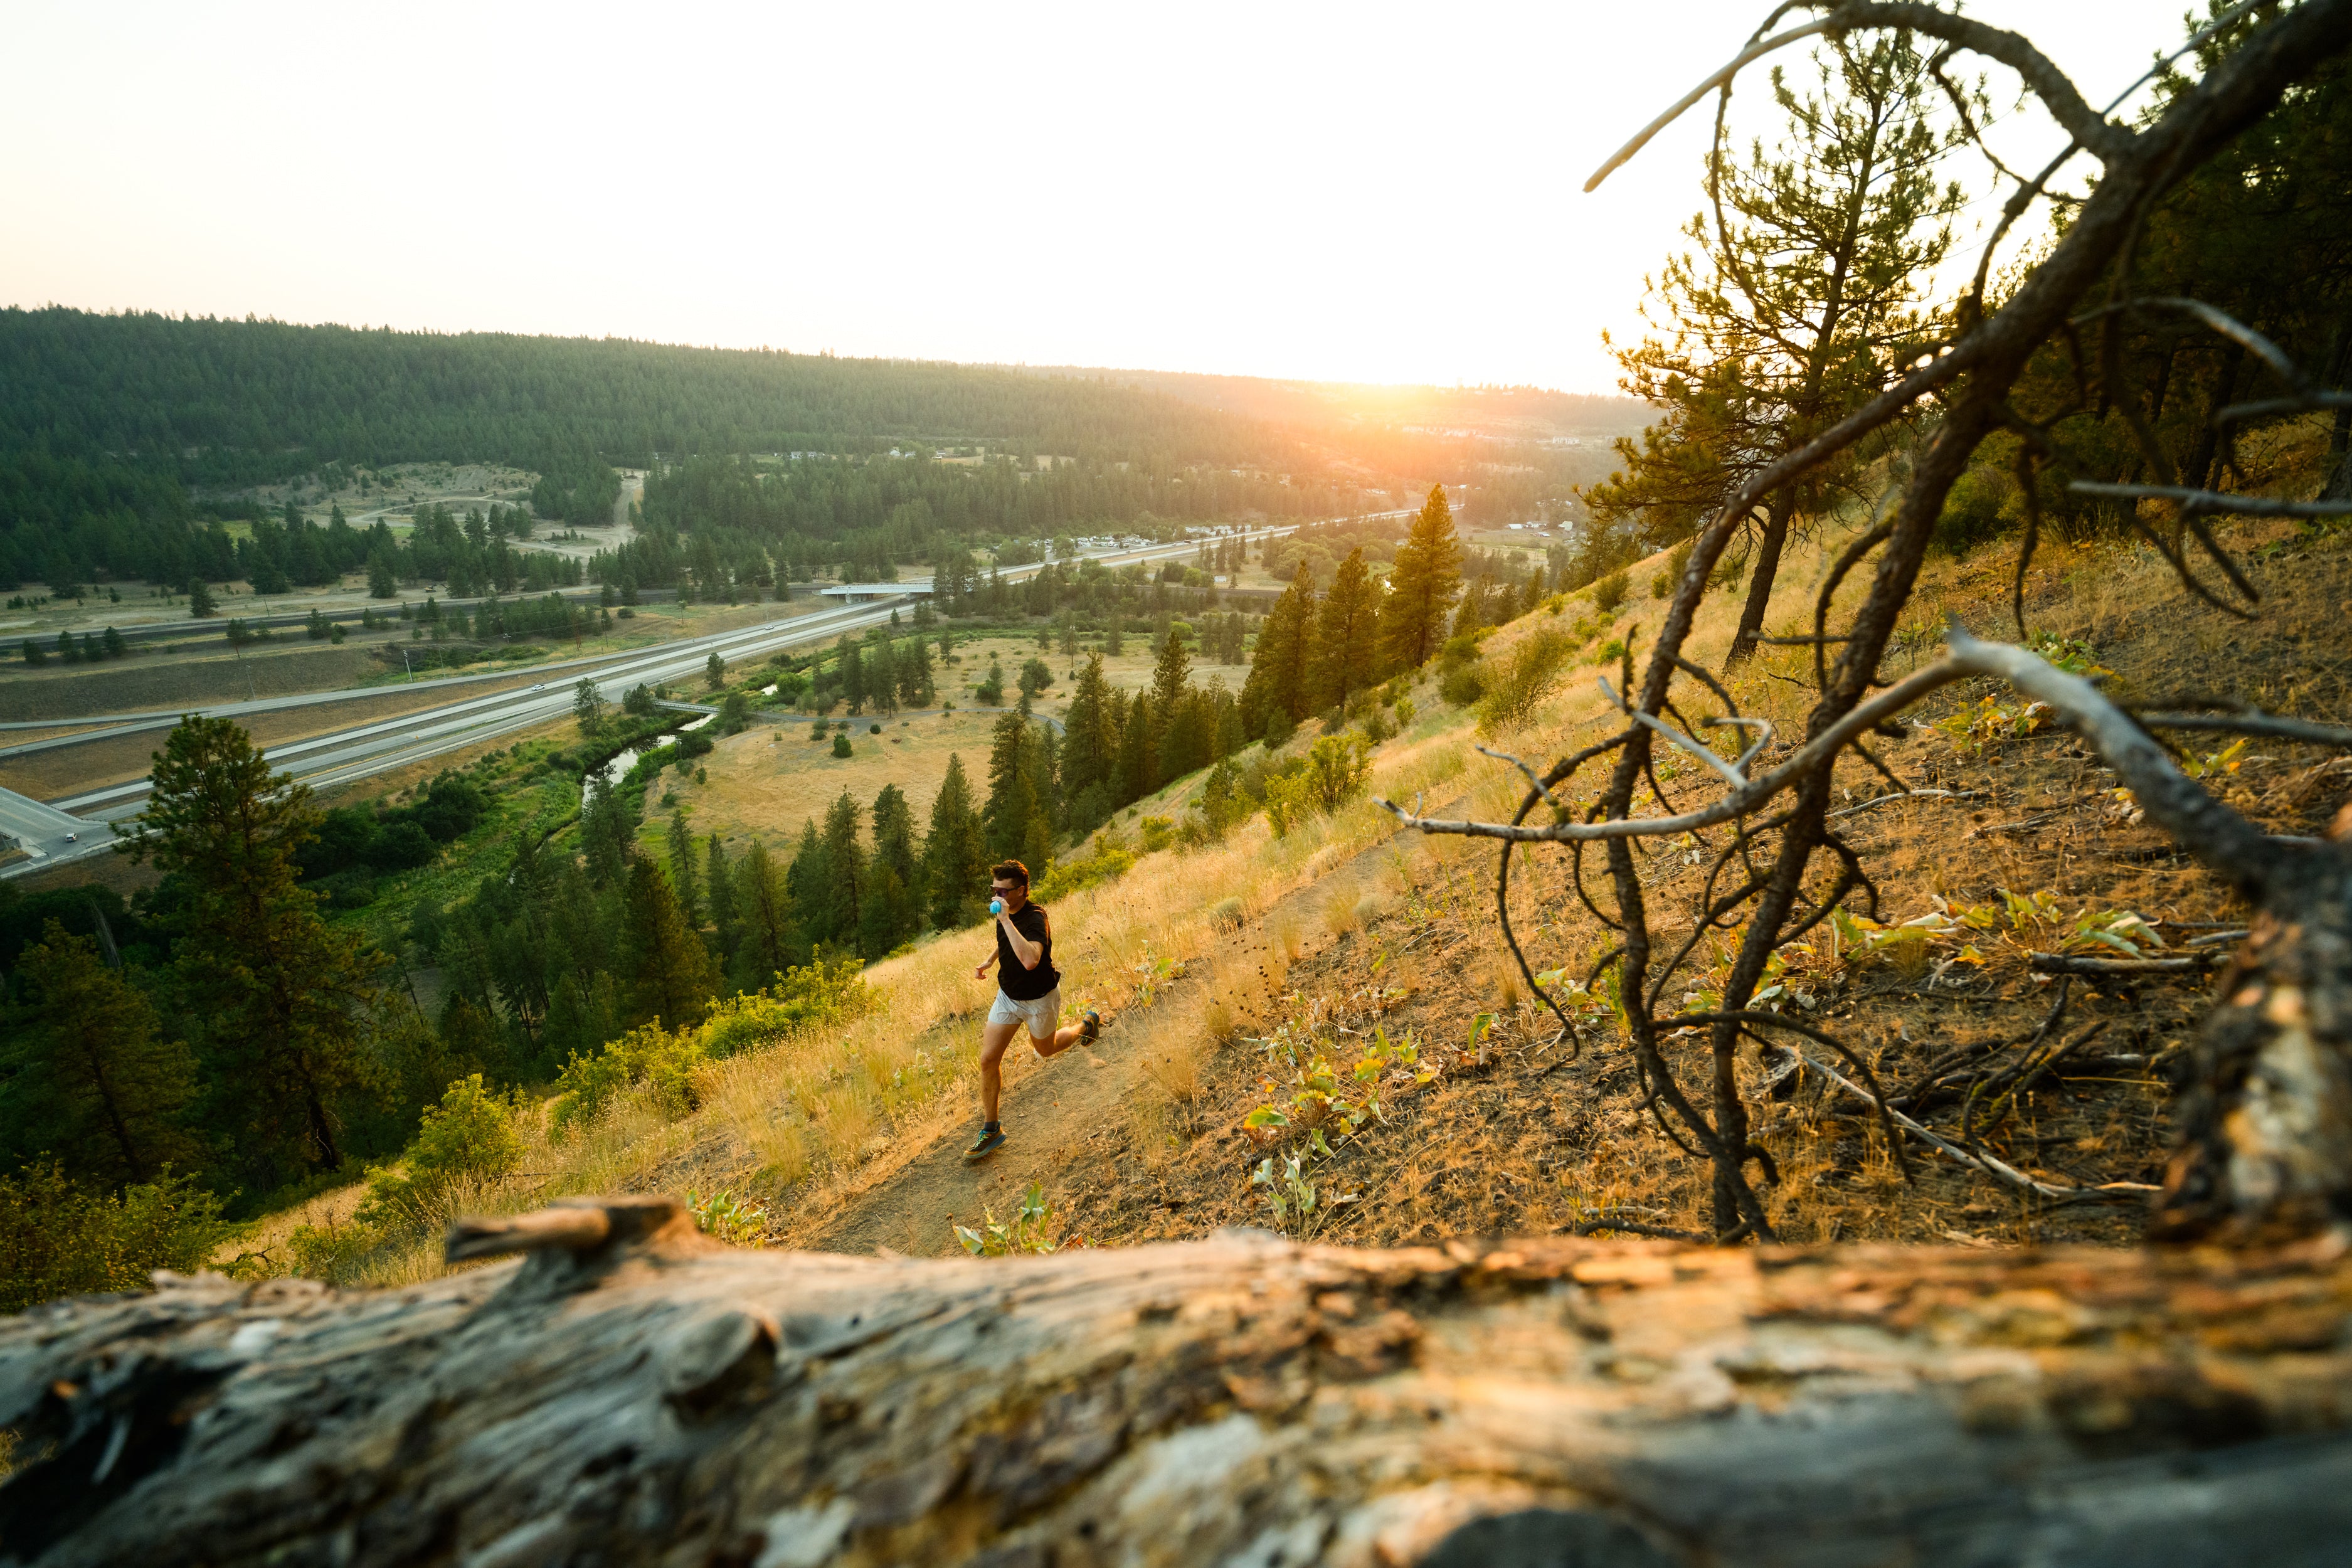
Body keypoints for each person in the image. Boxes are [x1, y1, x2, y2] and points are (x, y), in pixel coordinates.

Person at [965, 859, 1099, 1163]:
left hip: (1040, 999)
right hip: (1008, 997)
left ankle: (1085, 1027)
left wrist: (1006, 921)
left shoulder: (1036, 918)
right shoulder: (1006, 914)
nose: (996, 897)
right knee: (988, 1060)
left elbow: (1029, 959)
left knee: (1046, 1049)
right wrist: (990, 960)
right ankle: (992, 1129)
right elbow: (1007, 943)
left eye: (1003, 891)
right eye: (993, 890)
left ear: (1022, 891)